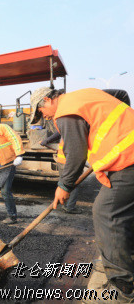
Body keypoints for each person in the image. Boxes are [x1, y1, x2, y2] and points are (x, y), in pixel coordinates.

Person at [30, 86, 134, 302]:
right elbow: (122, 95)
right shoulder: (83, 96)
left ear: (48, 100)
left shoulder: (66, 111)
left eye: (41, 112)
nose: (45, 116)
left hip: (128, 160)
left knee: (106, 213)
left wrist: (64, 185)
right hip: (126, 156)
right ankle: (121, 259)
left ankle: (124, 286)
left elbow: (76, 154)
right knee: (122, 214)